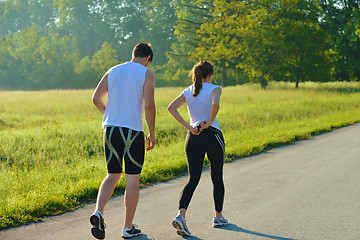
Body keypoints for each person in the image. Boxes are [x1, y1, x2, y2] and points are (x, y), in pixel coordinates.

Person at [90, 42, 156, 239]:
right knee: (132, 179)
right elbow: (150, 105)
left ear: (133, 54)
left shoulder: (113, 70)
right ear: (148, 59)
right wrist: (151, 132)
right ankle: (128, 228)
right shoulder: (147, 73)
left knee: (112, 174)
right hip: (133, 131)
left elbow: (96, 98)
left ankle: (98, 212)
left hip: (110, 129)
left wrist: (109, 114)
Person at [168, 61, 228, 237]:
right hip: (212, 135)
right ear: (210, 74)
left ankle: (181, 216)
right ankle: (218, 217)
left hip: (192, 137)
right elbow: (215, 104)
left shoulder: (188, 91)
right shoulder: (215, 88)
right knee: (217, 176)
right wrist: (209, 121)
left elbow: (171, 108)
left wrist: (188, 126)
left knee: (193, 178)